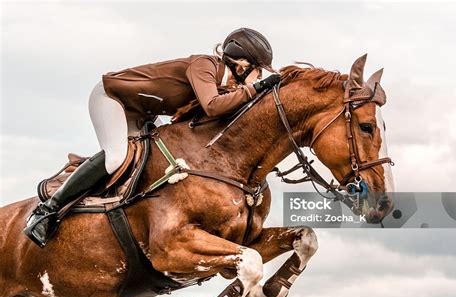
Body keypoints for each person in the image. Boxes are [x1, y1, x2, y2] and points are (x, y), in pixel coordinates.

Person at [24, 27, 281, 248]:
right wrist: (255, 88)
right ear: (242, 64)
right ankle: (46, 212)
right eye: (259, 72)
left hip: (142, 112)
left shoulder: (228, 85)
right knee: (116, 158)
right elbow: (213, 106)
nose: (260, 77)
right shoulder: (205, 65)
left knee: (156, 161)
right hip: (113, 99)